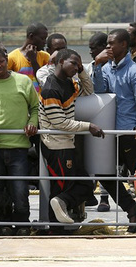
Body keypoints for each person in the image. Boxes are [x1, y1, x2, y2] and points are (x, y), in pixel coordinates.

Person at [0, 45, 39, 236]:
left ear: (7, 60)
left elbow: (36, 108)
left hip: (19, 147)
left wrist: (32, 123)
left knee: (20, 188)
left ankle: (22, 223)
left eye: (1, 62)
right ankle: (2, 223)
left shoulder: (24, 82)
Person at [39, 49, 104, 226]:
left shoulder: (68, 83)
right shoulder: (51, 89)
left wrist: (82, 70)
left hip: (67, 144)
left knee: (85, 185)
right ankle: (56, 227)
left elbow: (89, 90)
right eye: (73, 63)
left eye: (78, 64)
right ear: (60, 62)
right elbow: (59, 122)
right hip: (57, 147)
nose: (76, 67)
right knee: (61, 187)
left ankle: (62, 203)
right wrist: (88, 126)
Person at [93, 29, 136, 231]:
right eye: (107, 43)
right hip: (110, 132)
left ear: (124, 45)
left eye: (111, 43)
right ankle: (132, 209)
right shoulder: (106, 68)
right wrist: (97, 66)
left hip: (130, 132)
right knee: (103, 174)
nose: (108, 47)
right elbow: (99, 91)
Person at [83, 31, 112, 212]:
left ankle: (105, 197)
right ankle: (91, 194)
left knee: (110, 163)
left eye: (94, 49)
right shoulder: (89, 67)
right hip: (94, 118)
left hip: (111, 117)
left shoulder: (112, 67)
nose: (91, 52)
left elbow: (102, 89)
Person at [7, 23, 50, 93]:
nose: (44, 42)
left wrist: (33, 61)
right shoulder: (12, 58)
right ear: (31, 36)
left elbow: (46, 82)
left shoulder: (46, 57)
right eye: (42, 38)